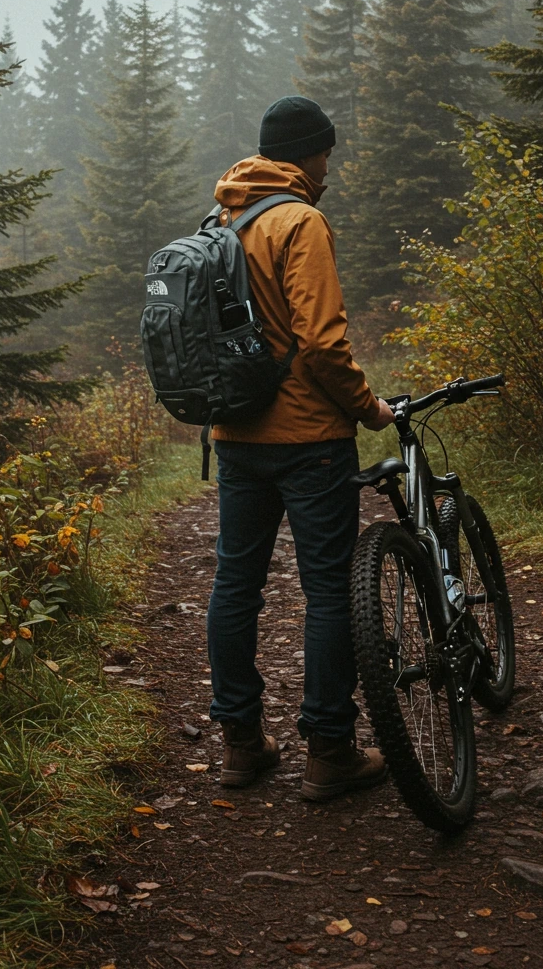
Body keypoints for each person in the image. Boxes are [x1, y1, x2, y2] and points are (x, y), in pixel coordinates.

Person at [206, 95, 396, 799]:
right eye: (325, 154)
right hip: (311, 438)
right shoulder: (300, 221)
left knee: (235, 585)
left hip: (235, 434)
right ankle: (329, 749)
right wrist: (368, 407)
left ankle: (240, 744)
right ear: (305, 155)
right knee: (327, 590)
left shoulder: (223, 219)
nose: (328, 167)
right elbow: (320, 342)